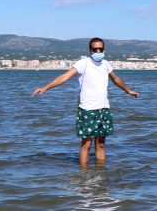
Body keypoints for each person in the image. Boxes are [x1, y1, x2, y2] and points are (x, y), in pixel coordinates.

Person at [32, 37, 139, 167]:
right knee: (86, 144)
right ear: (90, 50)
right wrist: (46, 88)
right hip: (87, 110)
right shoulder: (84, 63)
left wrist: (128, 90)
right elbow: (65, 76)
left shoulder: (105, 64)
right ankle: (84, 176)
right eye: (95, 49)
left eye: (101, 49)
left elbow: (116, 79)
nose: (98, 51)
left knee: (101, 144)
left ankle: (101, 176)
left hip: (104, 109)